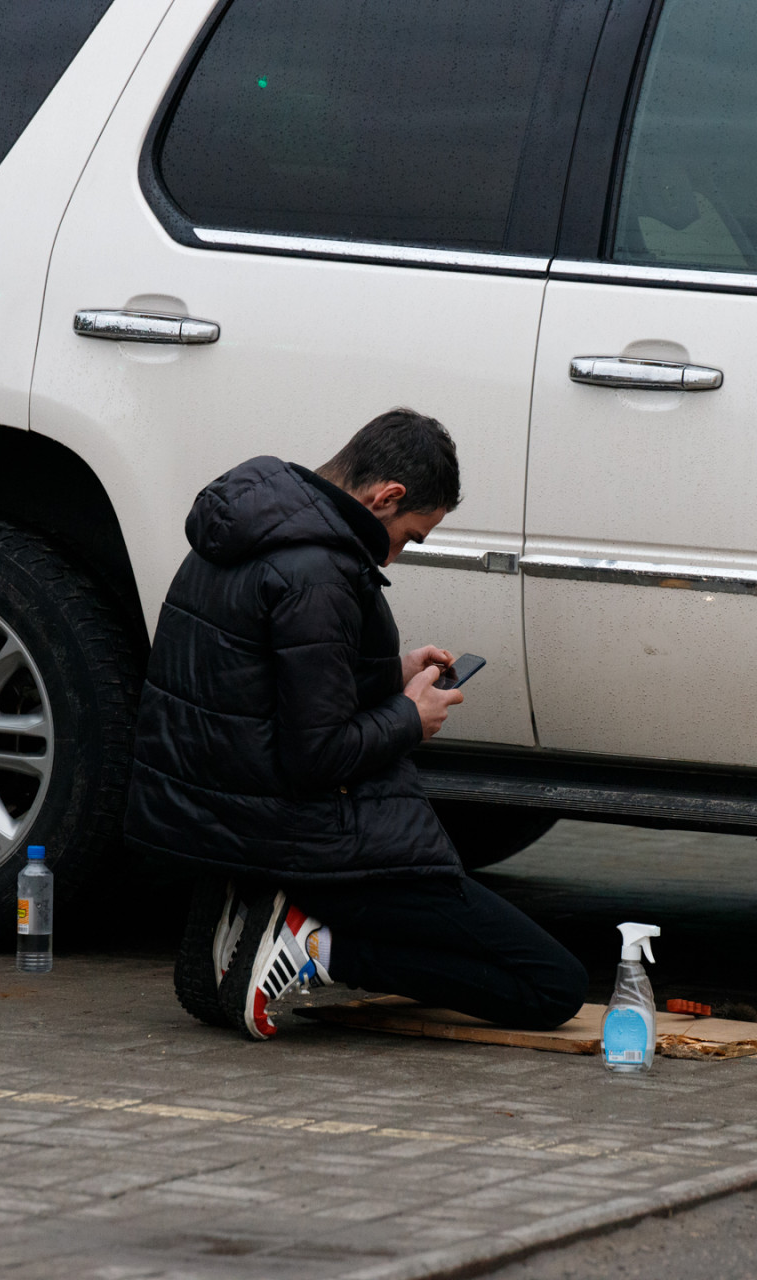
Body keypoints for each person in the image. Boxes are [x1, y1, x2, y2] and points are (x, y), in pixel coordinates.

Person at [125, 408, 587, 1040]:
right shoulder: (321, 572)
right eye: (408, 536)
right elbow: (317, 755)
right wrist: (410, 718)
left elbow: (266, 682)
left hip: (235, 821)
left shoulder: (253, 527)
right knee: (553, 986)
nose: (395, 556)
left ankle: (256, 908)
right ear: (386, 497)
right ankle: (312, 947)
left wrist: (391, 673)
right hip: (310, 838)